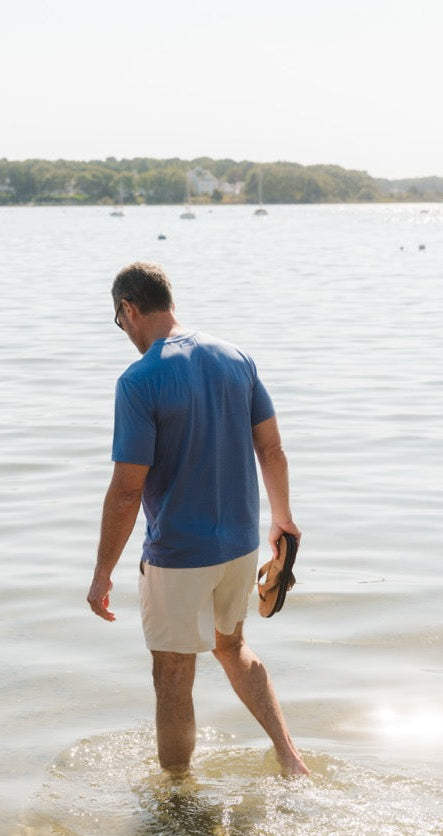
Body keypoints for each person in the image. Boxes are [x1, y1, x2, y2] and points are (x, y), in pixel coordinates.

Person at [86, 262, 309, 778]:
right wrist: (282, 520)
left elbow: (126, 491)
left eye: (120, 324)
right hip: (239, 546)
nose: (125, 335)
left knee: (172, 673)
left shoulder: (139, 381)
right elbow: (271, 447)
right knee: (232, 648)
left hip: (179, 556)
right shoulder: (237, 358)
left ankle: (177, 795)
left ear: (128, 309)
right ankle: (290, 758)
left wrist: (102, 574)